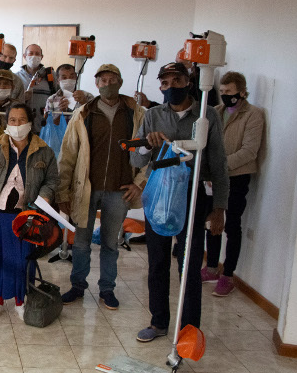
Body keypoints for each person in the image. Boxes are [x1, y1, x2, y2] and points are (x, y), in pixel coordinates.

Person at [130, 62, 228, 342]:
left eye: (177, 80)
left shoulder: (206, 115)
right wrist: (147, 145)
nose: (171, 86)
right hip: (159, 195)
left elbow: (219, 164)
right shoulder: (152, 115)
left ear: (189, 82)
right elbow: (135, 158)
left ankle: (189, 329)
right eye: (165, 82)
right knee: (157, 262)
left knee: (189, 264)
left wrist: (219, 208)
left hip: (193, 195)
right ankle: (159, 322)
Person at [57, 64, 147, 310]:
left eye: (112, 79)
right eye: (103, 80)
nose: (108, 84)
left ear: (120, 82)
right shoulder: (83, 113)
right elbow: (67, 155)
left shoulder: (136, 114)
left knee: (110, 243)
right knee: (81, 242)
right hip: (86, 188)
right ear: (96, 84)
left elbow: (148, 152)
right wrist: (63, 192)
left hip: (120, 189)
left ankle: (107, 289)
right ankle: (77, 286)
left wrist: (139, 183)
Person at [0, 103, 59, 320]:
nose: (17, 125)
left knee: (22, 260)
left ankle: (20, 300)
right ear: (7, 123)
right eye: (13, 120)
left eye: (21, 120)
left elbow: (52, 180)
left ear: (30, 122)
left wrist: (45, 195)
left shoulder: (44, 151)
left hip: (26, 218)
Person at [201, 71, 265, 297]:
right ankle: (211, 268)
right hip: (213, 177)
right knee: (212, 222)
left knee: (232, 225)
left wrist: (220, 167)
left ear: (242, 92)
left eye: (229, 91)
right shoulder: (215, 112)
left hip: (237, 176)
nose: (225, 95)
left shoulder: (253, 115)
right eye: (222, 91)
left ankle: (228, 275)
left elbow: (249, 151)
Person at [37, 63, 94, 128]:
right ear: (58, 80)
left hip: (81, 133)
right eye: (64, 77)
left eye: (71, 77)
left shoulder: (87, 96)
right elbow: (48, 126)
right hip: (60, 134)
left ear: (76, 78)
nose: (68, 80)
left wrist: (84, 103)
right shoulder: (51, 100)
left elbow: (94, 121)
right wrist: (60, 112)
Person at [17, 44, 55, 132]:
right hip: (22, 127)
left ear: (42, 57)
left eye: (37, 54)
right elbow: (11, 102)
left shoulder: (51, 76)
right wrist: (22, 98)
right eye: (31, 53)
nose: (34, 56)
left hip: (44, 127)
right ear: (24, 56)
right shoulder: (16, 77)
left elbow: (59, 95)